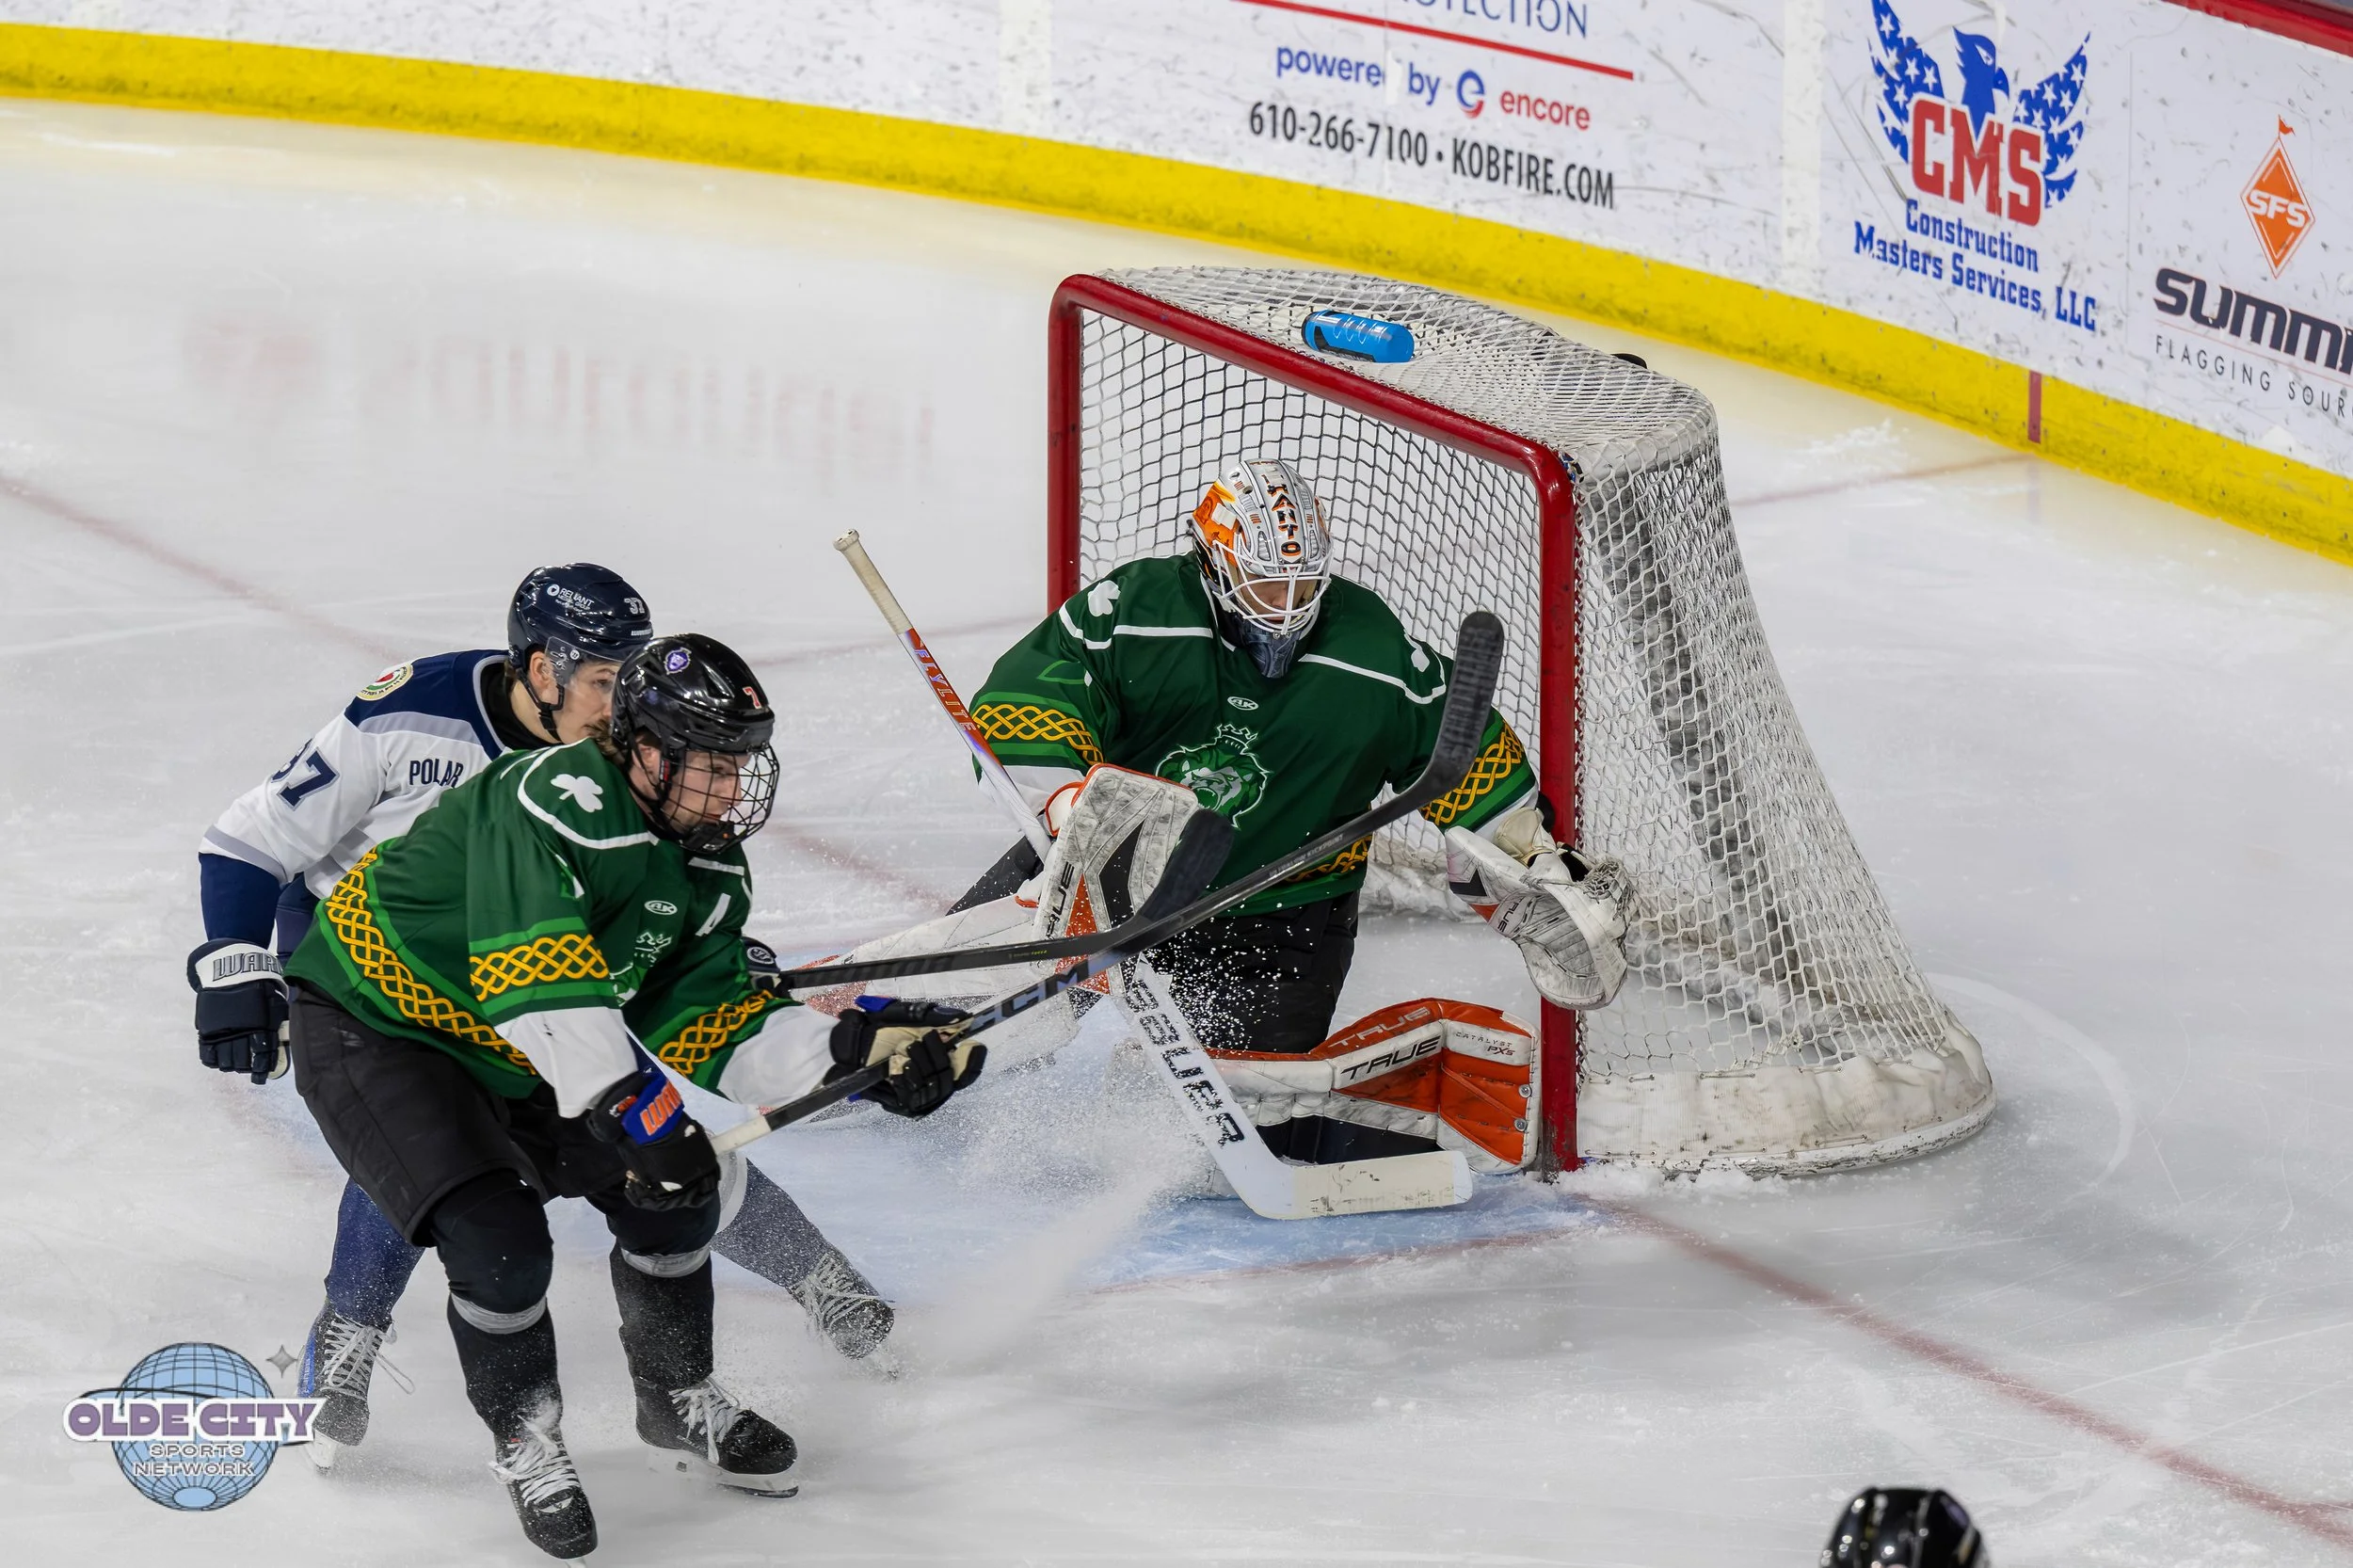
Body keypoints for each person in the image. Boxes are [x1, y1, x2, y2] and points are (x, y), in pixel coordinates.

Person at [281, 633, 982, 1558]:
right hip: (378, 1024)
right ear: (645, 749)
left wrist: (856, 1056)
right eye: (712, 766)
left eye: (742, 766)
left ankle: (673, 1398)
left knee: (678, 1195)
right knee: (498, 1242)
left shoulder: (705, 863)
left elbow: (711, 1018)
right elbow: (534, 976)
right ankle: (525, 1437)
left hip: (524, 1044)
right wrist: (633, 1110)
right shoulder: (552, 798)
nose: (732, 790)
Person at [187, 567, 892, 1472]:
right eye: (601, 679)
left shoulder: (626, 762)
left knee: (652, 1137)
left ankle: (812, 1274)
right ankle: (350, 1329)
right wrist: (233, 961)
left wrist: (684, 961)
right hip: (379, 962)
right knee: (429, 1143)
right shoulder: (413, 716)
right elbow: (251, 837)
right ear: (540, 669)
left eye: (630, 675)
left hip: (526, 975)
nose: (620, 702)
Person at [945, 456, 1631, 1169]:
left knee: (1219, 1132)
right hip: (1112, 869)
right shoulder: (1138, 611)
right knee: (941, 1031)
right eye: (1266, 583)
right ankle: (898, 1043)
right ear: (1213, 560)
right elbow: (1036, 692)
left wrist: (1532, 862)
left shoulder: (1370, 651)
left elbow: (1468, 753)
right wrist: (1068, 806)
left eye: (1303, 584)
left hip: (1283, 912)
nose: (1286, 605)